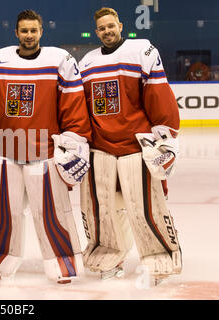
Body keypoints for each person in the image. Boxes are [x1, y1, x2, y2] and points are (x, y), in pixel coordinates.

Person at [0, 9, 92, 284]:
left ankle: (62, 263)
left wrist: (74, 142)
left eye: (33, 30)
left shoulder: (59, 61)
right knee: (3, 213)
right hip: (5, 151)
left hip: (46, 153)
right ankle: (0, 259)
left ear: (41, 31)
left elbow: (73, 107)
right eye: (24, 30)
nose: (29, 35)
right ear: (16, 33)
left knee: (52, 215)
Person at [78, 7, 182, 285]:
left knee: (145, 207)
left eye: (111, 26)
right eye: (101, 28)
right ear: (96, 31)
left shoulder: (142, 51)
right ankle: (110, 255)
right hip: (100, 148)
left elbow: (159, 95)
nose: (107, 31)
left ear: (120, 25)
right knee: (104, 209)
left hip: (136, 145)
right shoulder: (86, 63)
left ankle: (158, 257)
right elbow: (81, 107)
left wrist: (163, 138)